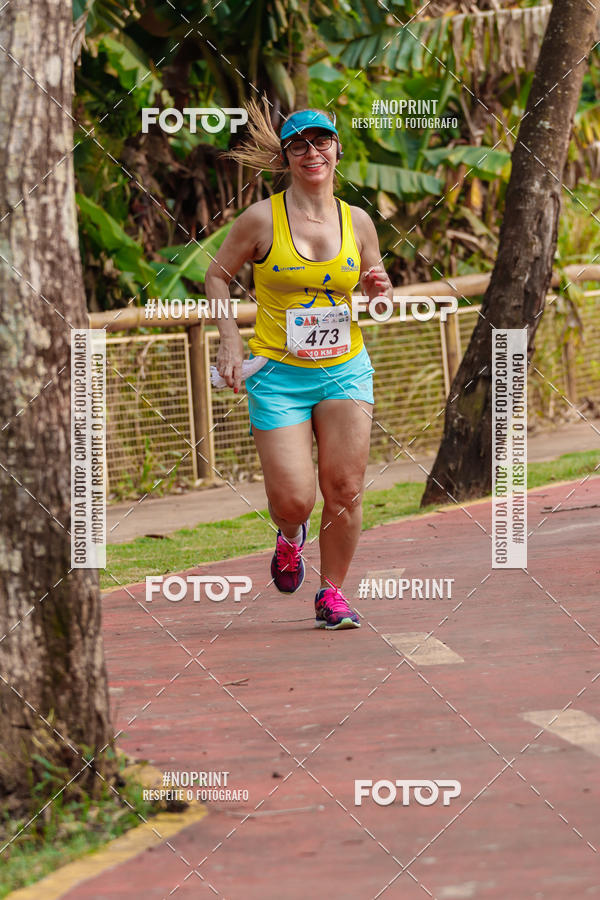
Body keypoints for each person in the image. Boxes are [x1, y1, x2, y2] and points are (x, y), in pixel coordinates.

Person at [205, 102, 392, 630]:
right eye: (300, 145)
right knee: (294, 500)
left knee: (346, 488)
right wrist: (228, 342)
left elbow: (378, 295)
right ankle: (290, 537)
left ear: (336, 149)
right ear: (286, 156)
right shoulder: (262, 218)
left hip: (344, 370)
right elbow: (216, 276)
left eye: (322, 142)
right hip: (278, 376)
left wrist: (381, 291)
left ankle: (331, 594)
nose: (313, 153)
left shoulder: (358, 221)